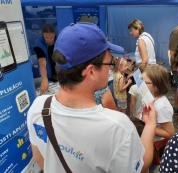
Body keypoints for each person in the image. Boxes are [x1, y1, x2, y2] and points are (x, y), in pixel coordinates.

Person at [27, 23, 157, 173]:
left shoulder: (38, 107)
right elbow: (141, 167)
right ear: (91, 71)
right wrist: (151, 124)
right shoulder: (117, 128)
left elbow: (39, 156)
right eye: (110, 62)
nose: (110, 67)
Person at [142, 65, 175, 165]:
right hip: (147, 139)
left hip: (154, 144)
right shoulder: (149, 96)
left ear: (157, 86)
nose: (141, 85)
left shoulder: (162, 106)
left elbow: (170, 133)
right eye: (141, 80)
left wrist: (148, 125)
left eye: (146, 83)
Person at [34, 24, 57, 94]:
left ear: (55, 35)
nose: (49, 40)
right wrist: (44, 79)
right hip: (48, 73)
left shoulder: (59, 40)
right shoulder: (39, 43)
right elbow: (42, 62)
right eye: (46, 37)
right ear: (43, 36)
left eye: (51, 37)